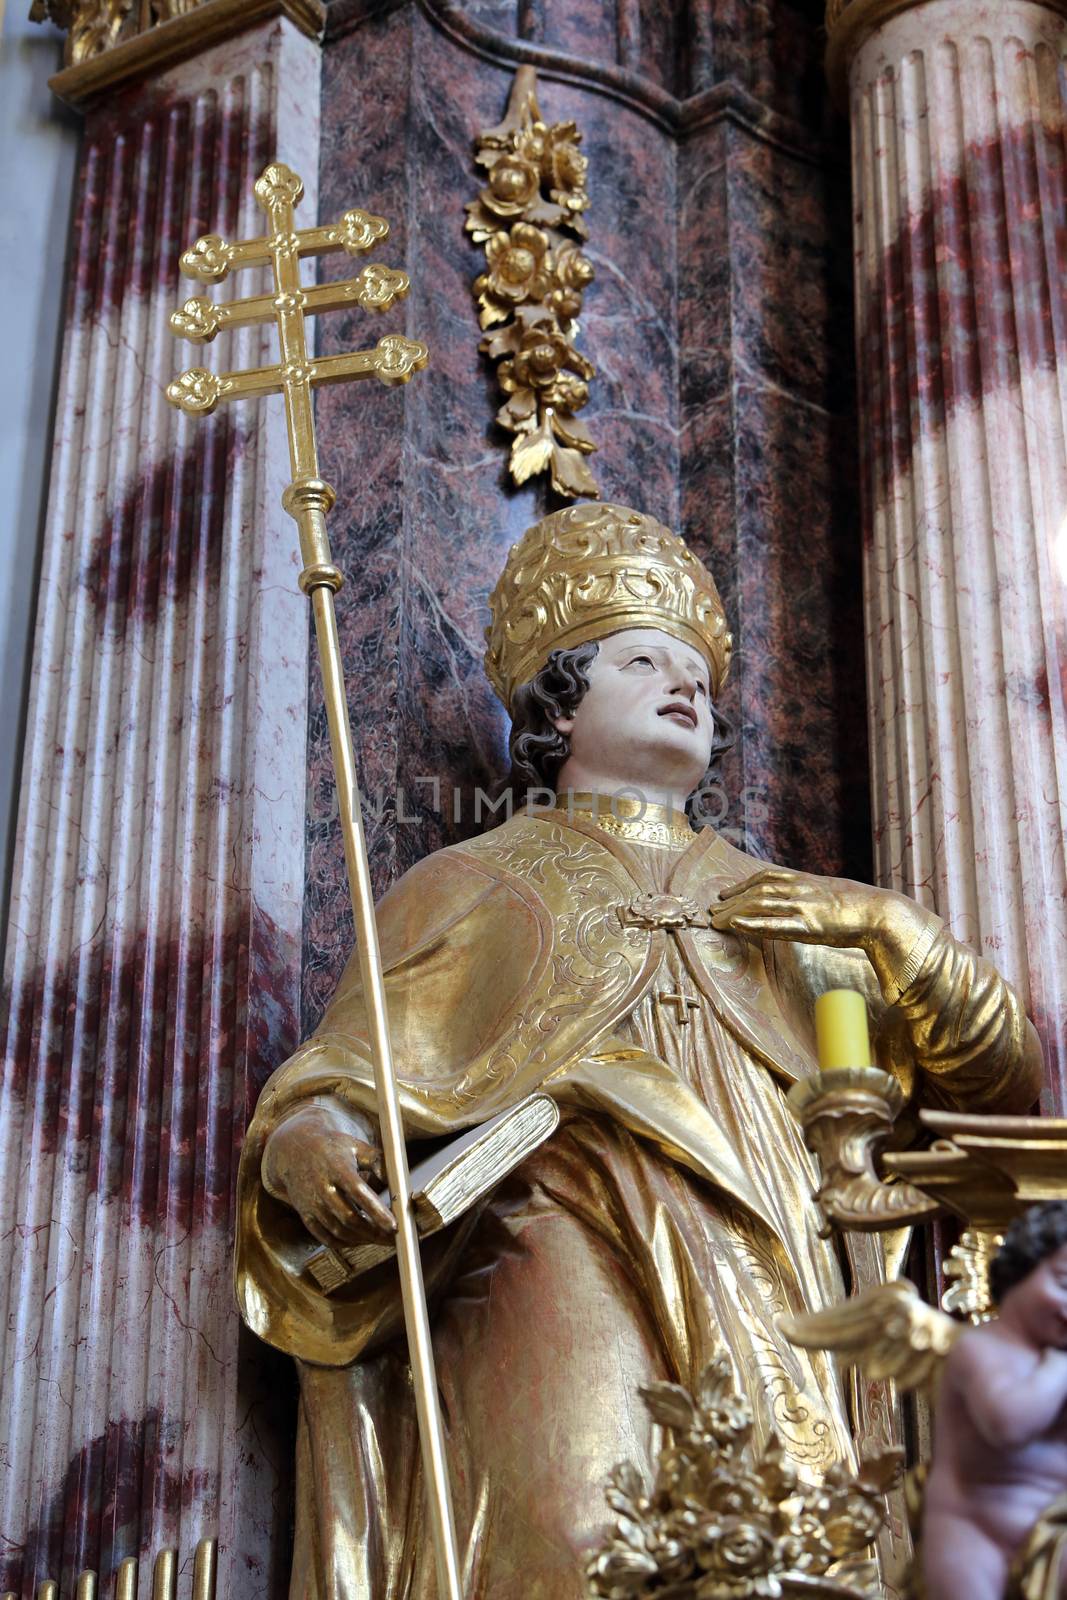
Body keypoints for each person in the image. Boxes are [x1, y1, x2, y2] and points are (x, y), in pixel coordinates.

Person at [235, 502, 1043, 1600]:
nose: (684, 685)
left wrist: (905, 944)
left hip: (774, 1254)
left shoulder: (799, 907)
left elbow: (1005, 1099)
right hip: (543, 1231)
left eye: (699, 675)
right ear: (557, 704)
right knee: (577, 1523)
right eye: (640, 660)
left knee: (792, 1538)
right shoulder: (469, 884)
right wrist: (314, 1139)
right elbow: (346, 1070)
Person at [924, 1203, 1067, 1600]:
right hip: (974, 1534)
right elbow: (1009, 1423)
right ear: (1021, 1272)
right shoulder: (981, 1349)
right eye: (1064, 1284)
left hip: (1054, 1535)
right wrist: (1058, 1370)